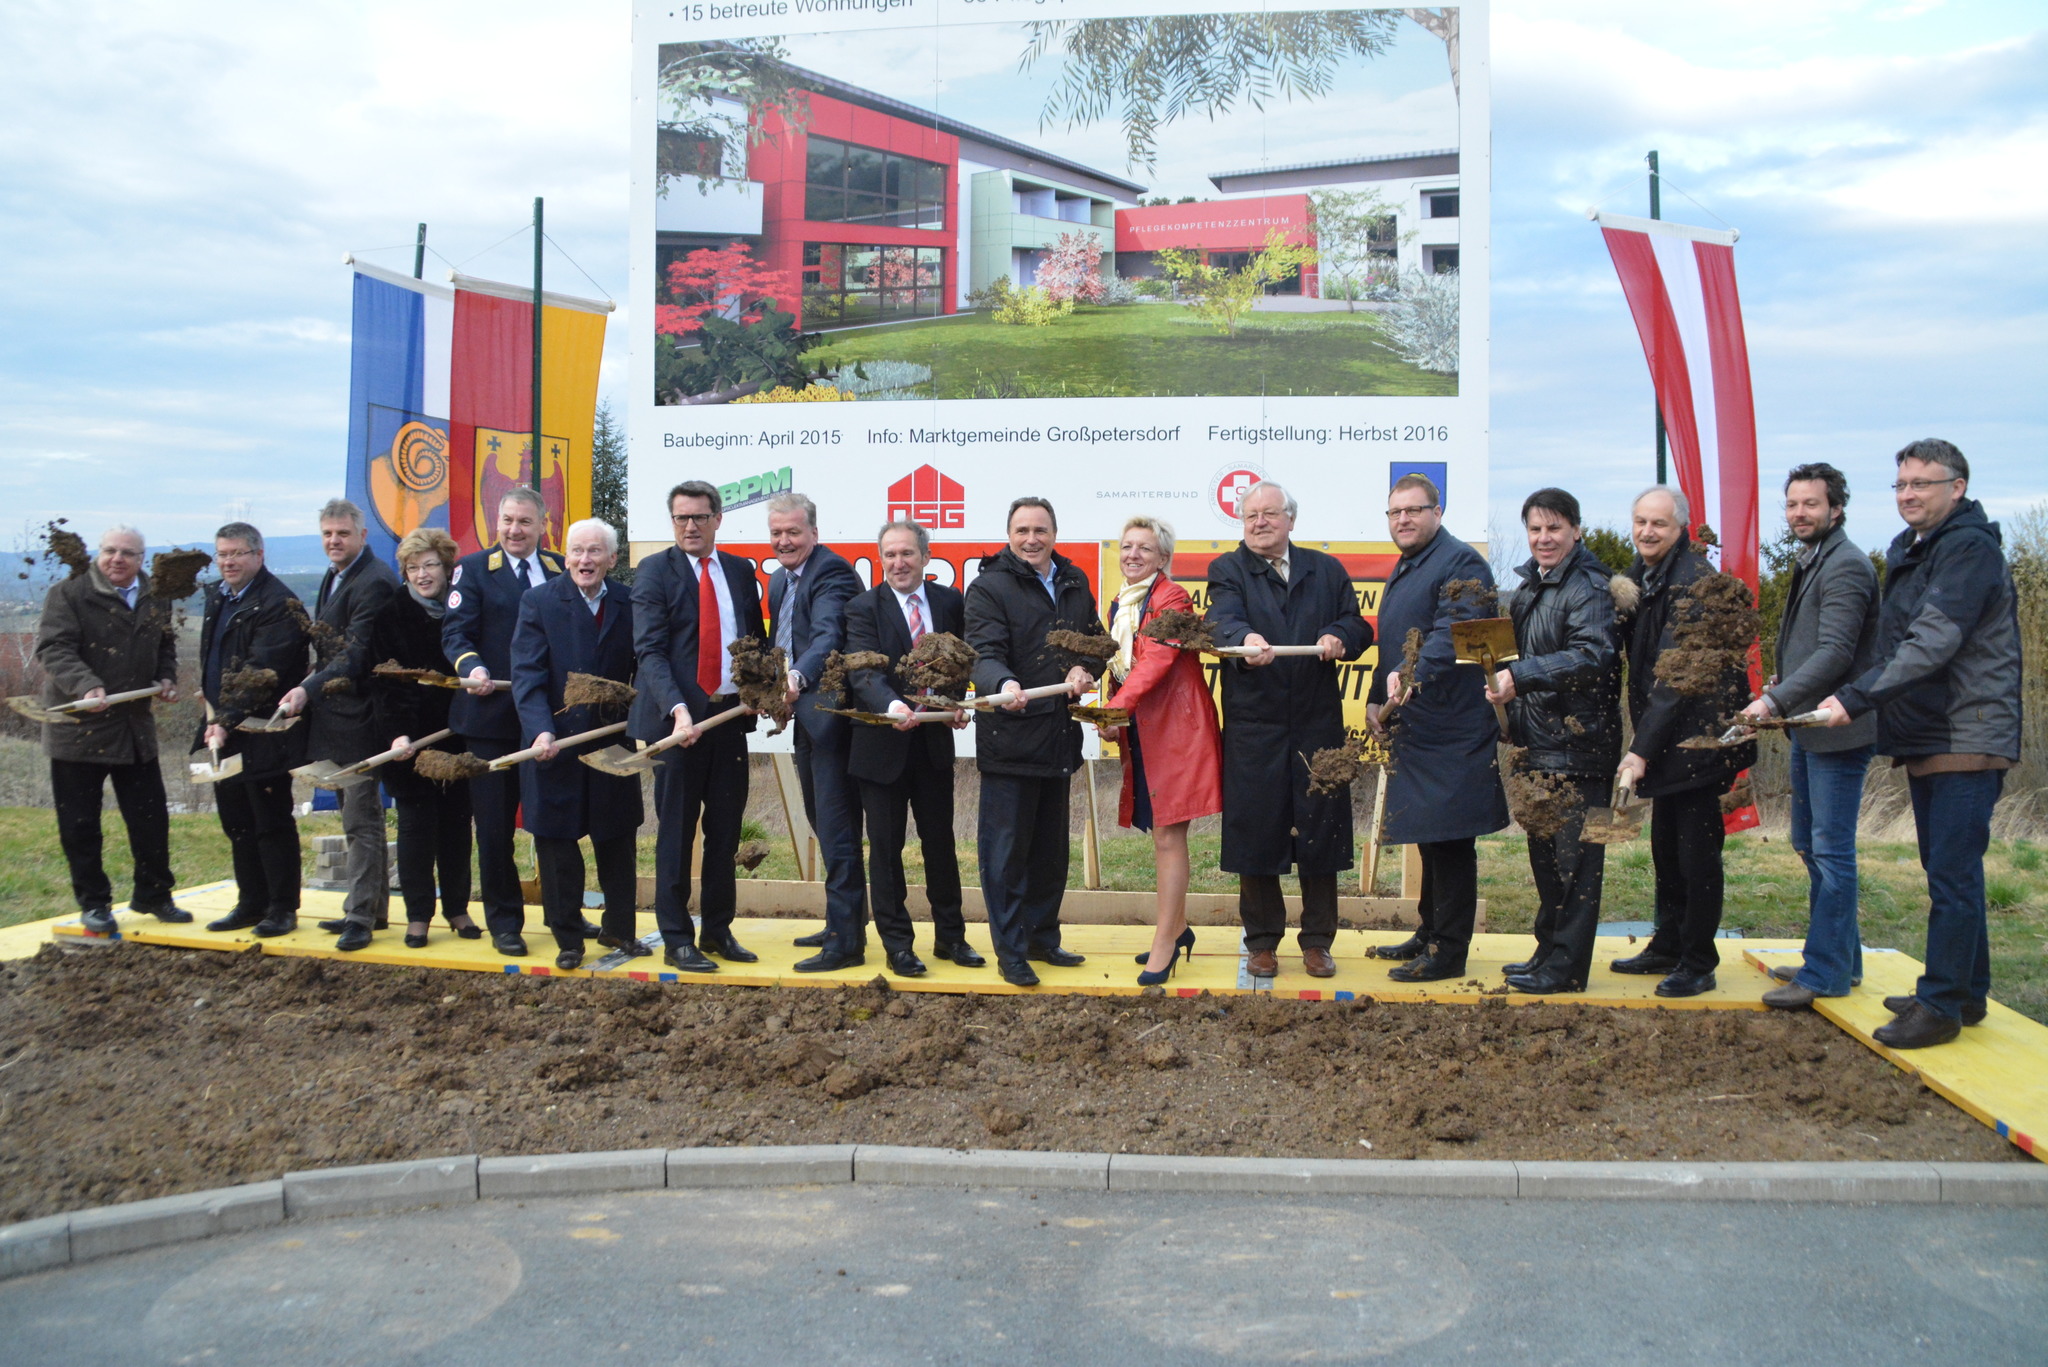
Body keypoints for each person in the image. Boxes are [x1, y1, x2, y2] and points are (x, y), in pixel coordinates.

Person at [1818, 439, 2022, 1049]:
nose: (1908, 495)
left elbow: (1933, 640)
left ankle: (1939, 1006)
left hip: (1968, 730)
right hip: (1933, 731)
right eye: (1901, 485)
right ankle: (1965, 991)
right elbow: (1891, 643)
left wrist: (1857, 698)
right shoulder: (1915, 548)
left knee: (1952, 875)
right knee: (1947, 869)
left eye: (1922, 484)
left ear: (1957, 488)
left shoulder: (1969, 550)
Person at [1736, 464, 1879, 1011]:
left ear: (1836, 508)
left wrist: (1773, 702)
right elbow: (1816, 649)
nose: (1799, 513)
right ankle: (1842, 959)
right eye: (1793, 504)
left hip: (1839, 732)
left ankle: (1825, 972)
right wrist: (1785, 683)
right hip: (1811, 728)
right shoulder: (1815, 558)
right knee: (1809, 844)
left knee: (1830, 852)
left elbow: (1837, 653)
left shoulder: (1845, 565)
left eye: (1811, 504)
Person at [1610, 486, 1756, 997]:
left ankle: (1698, 961)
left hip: (1700, 742)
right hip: (1669, 740)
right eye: (1640, 521)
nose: (1647, 532)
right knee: (1666, 850)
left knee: (1696, 856)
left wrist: (1639, 750)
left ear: (1681, 529)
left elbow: (1676, 680)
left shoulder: (1694, 583)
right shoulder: (1643, 577)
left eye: (1659, 524)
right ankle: (1668, 944)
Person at [1367, 472, 1509, 982]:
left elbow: (1454, 635)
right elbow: (1396, 642)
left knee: (1450, 841)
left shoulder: (1462, 563)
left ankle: (1449, 950)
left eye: (1414, 510)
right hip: (1419, 725)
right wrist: (1376, 697)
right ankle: (1429, 932)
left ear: (1437, 513)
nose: (1403, 519)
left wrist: (1410, 678)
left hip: (1454, 727)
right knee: (1430, 836)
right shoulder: (1410, 565)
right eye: (1395, 512)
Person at [1483, 488, 1623, 993]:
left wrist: (1520, 677)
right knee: (1545, 861)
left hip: (1582, 749)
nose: (1544, 538)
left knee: (1578, 866)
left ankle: (1568, 968)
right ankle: (1548, 951)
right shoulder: (1530, 587)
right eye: (1535, 529)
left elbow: (1593, 655)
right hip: (1537, 745)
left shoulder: (1590, 586)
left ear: (1576, 530)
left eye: (1554, 528)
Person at [629, 479, 765, 975]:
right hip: (678, 726)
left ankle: (717, 930)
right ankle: (677, 938)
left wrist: (762, 690)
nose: (690, 526)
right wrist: (677, 709)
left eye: (699, 517)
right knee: (677, 833)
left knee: (724, 832)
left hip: (727, 720)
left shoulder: (739, 571)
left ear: (717, 520)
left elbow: (755, 642)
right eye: (681, 518)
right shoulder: (653, 571)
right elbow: (650, 650)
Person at [965, 496, 1097, 988]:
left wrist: (1086, 666)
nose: (1031, 539)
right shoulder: (988, 587)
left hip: (1058, 739)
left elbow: (1096, 641)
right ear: (1009, 535)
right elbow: (982, 652)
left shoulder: (1074, 581)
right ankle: (1011, 951)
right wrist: (1002, 684)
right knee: (1005, 856)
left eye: (1040, 530)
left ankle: (1043, 937)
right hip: (1011, 739)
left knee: (1049, 852)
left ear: (1054, 534)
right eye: (1022, 530)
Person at [510, 518, 650, 972]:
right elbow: (527, 676)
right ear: (565, 556)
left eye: (594, 552)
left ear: (611, 559)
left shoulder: (629, 602)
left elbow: (646, 665)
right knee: (557, 846)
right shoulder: (539, 602)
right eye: (577, 551)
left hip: (612, 742)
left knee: (618, 838)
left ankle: (620, 930)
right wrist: (539, 730)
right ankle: (568, 937)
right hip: (556, 744)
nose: (584, 560)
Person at [33, 525, 184, 934]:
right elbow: (53, 648)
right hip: (78, 729)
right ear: (98, 553)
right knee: (81, 825)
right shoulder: (70, 593)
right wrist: (85, 685)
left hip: (133, 728)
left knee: (151, 818)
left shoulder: (157, 596)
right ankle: (94, 903)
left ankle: (154, 894)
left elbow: (165, 645)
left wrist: (166, 677)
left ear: (141, 559)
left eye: (127, 553)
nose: (117, 559)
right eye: (110, 551)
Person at [842, 521, 977, 976]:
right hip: (881, 747)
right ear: (881, 559)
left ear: (925, 556)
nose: (898, 563)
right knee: (885, 849)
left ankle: (951, 938)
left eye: (907, 554)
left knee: (941, 844)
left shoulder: (949, 602)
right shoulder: (862, 608)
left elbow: (958, 664)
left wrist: (953, 703)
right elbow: (862, 672)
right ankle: (898, 945)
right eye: (890, 555)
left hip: (933, 746)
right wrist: (893, 706)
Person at [442, 487, 569, 958]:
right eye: (508, 521)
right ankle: (505, 921)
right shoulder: (473, 570)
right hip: (490, 719)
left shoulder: (560, 569)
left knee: (553, 822)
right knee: (495, 828)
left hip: (548, 721)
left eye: (524, 522)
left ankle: (562, 915)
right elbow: (456, 633)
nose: (514, 530)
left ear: (542, 525)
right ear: (497, 522)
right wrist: (471, 668)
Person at [1101, 516, 1223, 986]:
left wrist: (1116, 708)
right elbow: (1118, 664)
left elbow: (1154, 661)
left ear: (1163, 558)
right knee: (1161, 837)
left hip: (1176, 733)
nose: (1133, 555)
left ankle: (1164, 943)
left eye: (1144, 548)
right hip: (1145, 729)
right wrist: (1111, 711)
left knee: (1170, 837)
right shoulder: (1121, 603)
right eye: (1127, 546)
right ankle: (1177, 927)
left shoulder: (1173, 599)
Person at [279, 499, 399, 952]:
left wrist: (307, 689)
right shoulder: (337, 574)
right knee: (361, 816)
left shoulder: (375, 582)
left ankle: (360, 918)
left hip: (362, 718)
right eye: (328, 533)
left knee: (360, 820)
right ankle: (372, 909)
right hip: (339, 716)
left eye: (343, 533)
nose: (334, 541)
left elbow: (356, 655)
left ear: (362, 536)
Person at [764, 492, 869, 972]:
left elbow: (827, 636)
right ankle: (841, 922)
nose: (784, 541)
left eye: (793, 532)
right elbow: (783, 641)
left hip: (832, 721)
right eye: (777, 533)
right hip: (804, 720)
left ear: (814, 533)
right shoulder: (779, 581)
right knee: (822, 823)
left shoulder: (832, 573)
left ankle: (846, 944)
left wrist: (795, 678)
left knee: (837, 827)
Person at [196, 522, 310, 937]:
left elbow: (261, 673)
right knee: (236, 820)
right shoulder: (217, 596)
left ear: (259, 555)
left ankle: (281, 908)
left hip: (265, 730)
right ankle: (250, 902)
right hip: (223, 727)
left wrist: (223, 721)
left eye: (237, 554)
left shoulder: (279, 603)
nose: (228, 562)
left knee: (270, 820)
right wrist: (215, 716)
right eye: (222, 554)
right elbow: (214, 659)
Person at [370, 526, 481, 949]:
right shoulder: (391, 614)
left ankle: (457, 908)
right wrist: (397, 735)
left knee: (456, 826)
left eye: (430, 565)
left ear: (447, 567)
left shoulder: (462, 608)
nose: (422, 575)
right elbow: (387, 682)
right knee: (416, 830)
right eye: (413, 568)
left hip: (458, 735)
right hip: (409, 743)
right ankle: (418, 916)